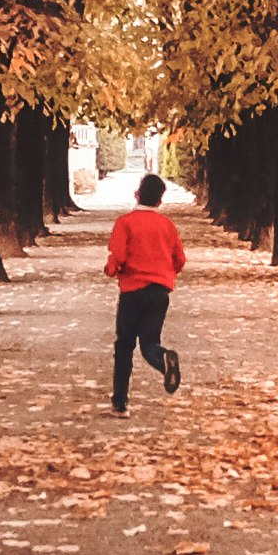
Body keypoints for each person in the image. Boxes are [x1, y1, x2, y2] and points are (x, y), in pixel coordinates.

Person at [104, 170, 187, 411]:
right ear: (160, 200)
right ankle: (163, 359)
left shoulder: (125, 222)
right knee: (150, 342)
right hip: (159, 292)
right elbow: (179, 259)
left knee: (125, 345)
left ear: (137, 194)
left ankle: (120, 401)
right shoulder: (167, 226)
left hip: (132, 291)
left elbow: (118, 256)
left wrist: (112, 269)